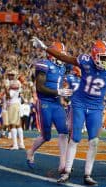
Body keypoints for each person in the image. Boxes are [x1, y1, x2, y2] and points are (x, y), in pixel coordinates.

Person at [31, 37, 106, 186]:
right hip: (79, 103)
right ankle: (66, 171)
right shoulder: (85, 61)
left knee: (94, 141)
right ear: (94, 56)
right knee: (75, 138)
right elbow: (63, 57)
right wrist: (45, 47)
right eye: (103, 58)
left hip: (96, 106)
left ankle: (87, 174)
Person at [26, 42, 73, 175]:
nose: (62, 57)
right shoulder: (44, 64)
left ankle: (63, 164)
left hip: (57, 103)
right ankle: (30, 151)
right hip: (45, 103)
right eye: (60, 54)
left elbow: (75, 63)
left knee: (64, 132)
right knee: (46, 136)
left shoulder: (63, 67)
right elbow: (39, 87)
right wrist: (59, 92)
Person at [5, 70, 25, 150]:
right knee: (18, 124)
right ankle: (21, 144)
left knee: (12, 124)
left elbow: (9, 96)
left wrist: (6, 88)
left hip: (13, 104)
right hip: (18, 104)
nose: (9, 76)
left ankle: (15, 145)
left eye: (11, 75)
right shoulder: (18, 83)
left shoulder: (12, 83)